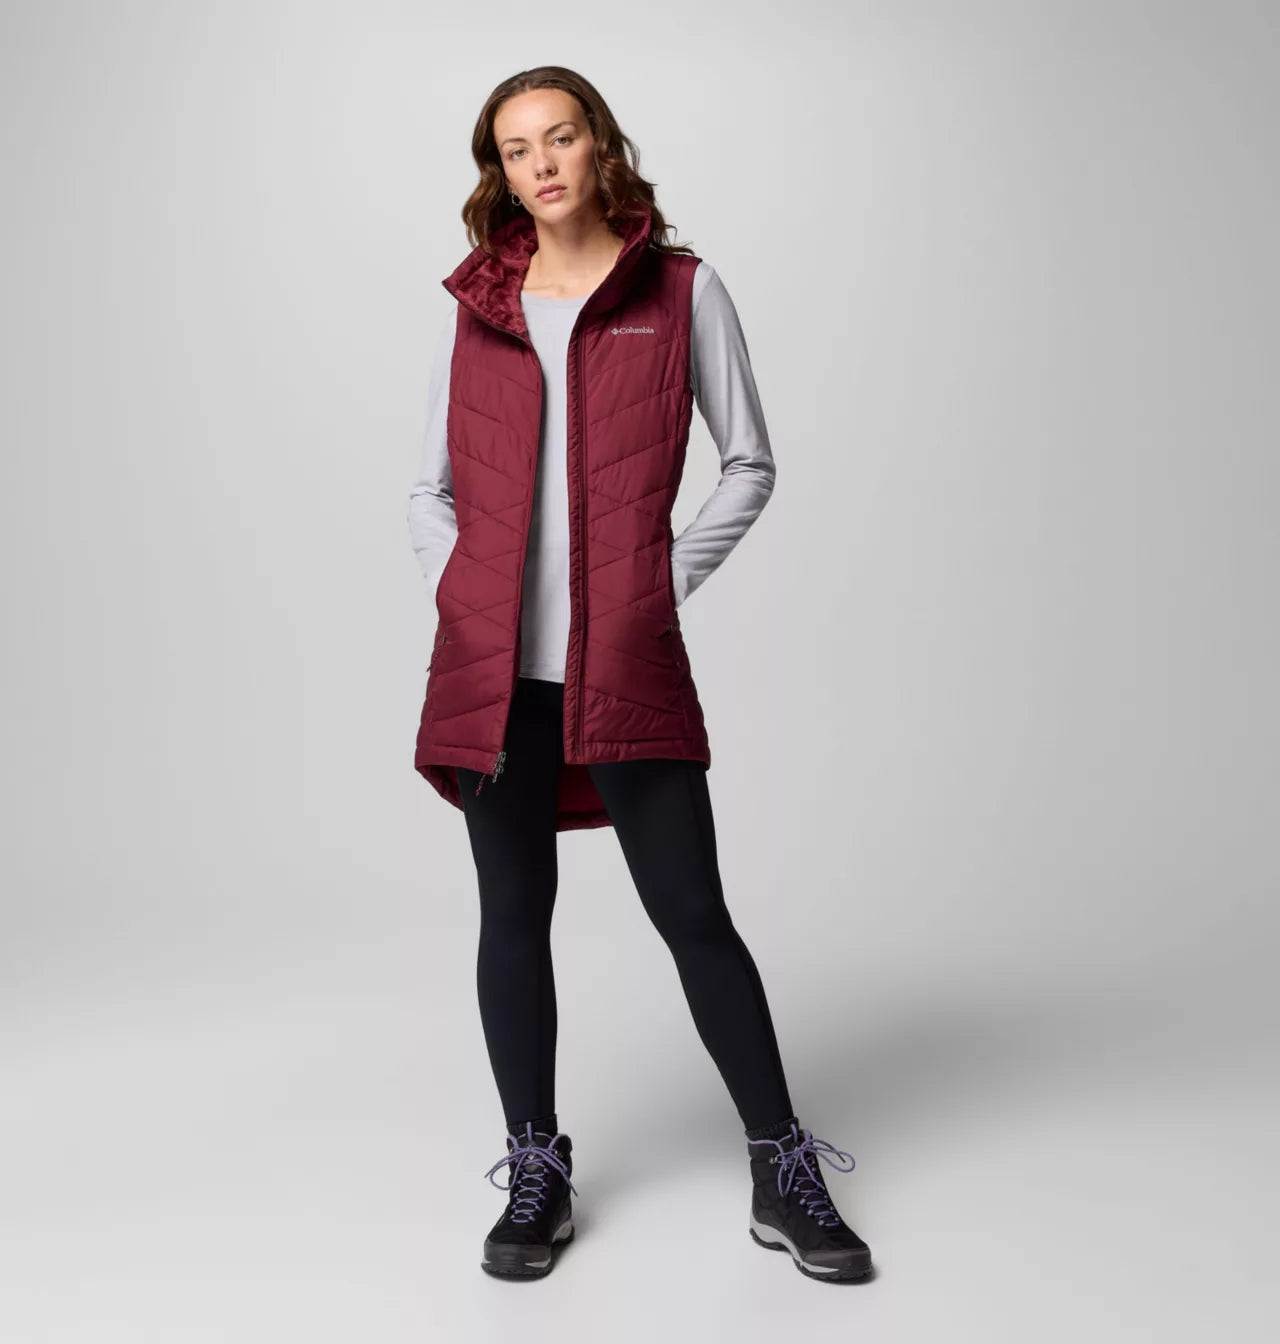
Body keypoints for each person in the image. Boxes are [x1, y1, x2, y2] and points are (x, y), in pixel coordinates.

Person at [407, 65, 872, 1284]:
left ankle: (780, 1164)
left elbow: (748, 463)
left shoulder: (679, 290)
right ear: (499, 172)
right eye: (515, 150)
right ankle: (535, 1166)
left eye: (558, 137)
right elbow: (427, 489)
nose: (540, 164)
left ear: (598, 144)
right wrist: (462, 593)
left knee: (692, 915)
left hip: (623, 660)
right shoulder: (479, 302)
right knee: (512, 916)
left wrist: (656, 584)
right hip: (495, 673)